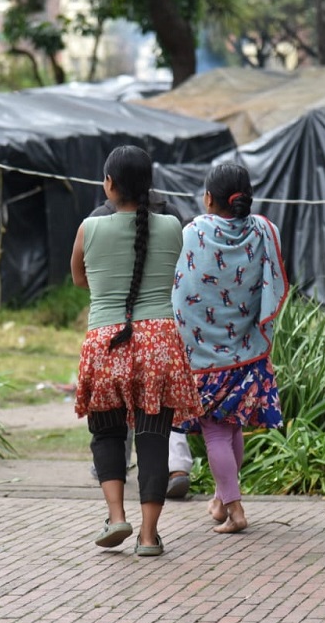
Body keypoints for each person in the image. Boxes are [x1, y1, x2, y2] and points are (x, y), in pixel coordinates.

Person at [71, 145, 202, 557]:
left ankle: (116, 517)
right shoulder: (171, 227)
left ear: (108, 184)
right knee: (153, 437)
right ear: (150, 186)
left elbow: (79, 280)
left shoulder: (87, 229)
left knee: (107, 432)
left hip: (107, 340)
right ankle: (148, 536)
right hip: (160, 341)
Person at [172, 162, 289, 534]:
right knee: (232, 429)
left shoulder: (193, 231)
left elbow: (183, 288)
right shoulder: (265, 230)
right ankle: (222, 500)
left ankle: (236, 509)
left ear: (208, 198)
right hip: (246, 352)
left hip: (204, 358)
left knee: (216, 433)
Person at [86, 190, 196, 499]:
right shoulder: (172, 219)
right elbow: (186, 268)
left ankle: (114, 475)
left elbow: (84, 278)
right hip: (161, 329)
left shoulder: (95, 221)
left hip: (110, 332)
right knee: (160, 418)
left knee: (112, 418)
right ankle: (176, 469)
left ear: (109, 183)